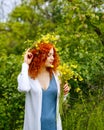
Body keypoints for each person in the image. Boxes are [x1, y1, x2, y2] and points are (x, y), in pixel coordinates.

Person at [17, 42, 70, 130]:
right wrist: (25, 64)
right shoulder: (27, 75)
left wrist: (64, 93)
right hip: (34, 126)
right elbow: (23, 88)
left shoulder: (57, 75)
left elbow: (61, 103)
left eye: (53, 55)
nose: (52, 58)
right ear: (40, 55)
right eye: (49, 55)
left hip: (54, 126)